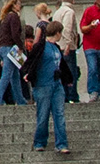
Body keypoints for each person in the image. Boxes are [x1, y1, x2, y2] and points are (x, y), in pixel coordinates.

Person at [30, 20, 70, 155]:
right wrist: (28, 74)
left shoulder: (56, 48)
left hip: (56, 84)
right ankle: (39, 141)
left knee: (59, 114)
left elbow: (62, 65)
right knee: (43, 114)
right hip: (43, 85)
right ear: (57, 33)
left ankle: (62, 143)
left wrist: (67, 78)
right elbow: (32, 61)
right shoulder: (41, 46)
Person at [0, 0, 26, 107]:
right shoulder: (14, 17)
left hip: (2, 48)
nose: (20, 6)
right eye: (19, 4)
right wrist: (20, 46)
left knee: (14, 75)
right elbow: (15, 34)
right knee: (6, 75)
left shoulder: (5, 18)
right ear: (14, 6)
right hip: (10, 48)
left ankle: (20, 100)